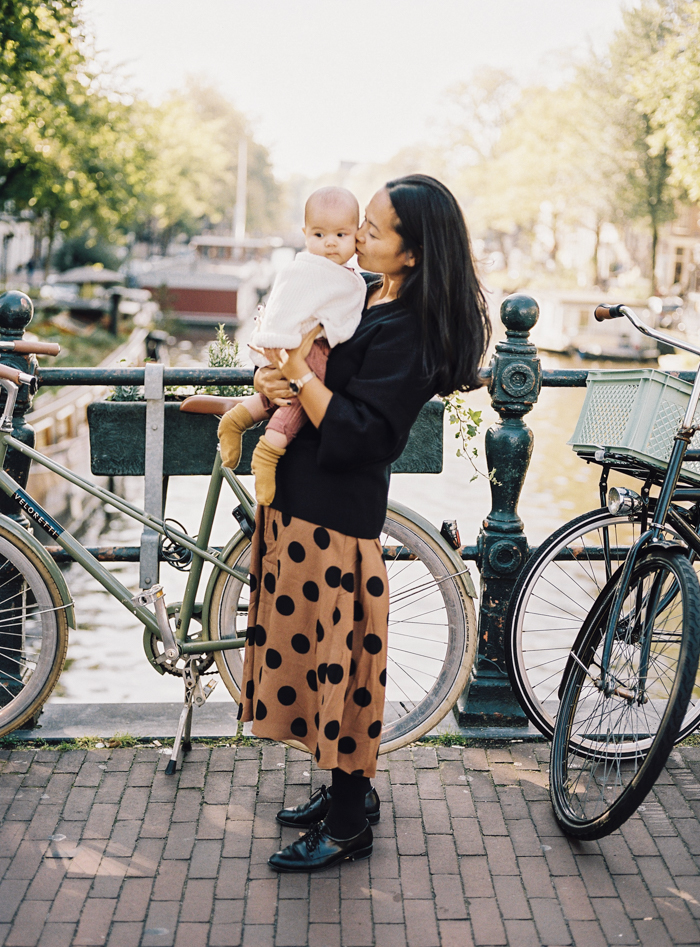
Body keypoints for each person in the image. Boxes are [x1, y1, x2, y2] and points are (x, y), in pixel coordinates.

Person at [239, 174, 491, 873]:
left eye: (374, 231)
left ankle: (349, 823)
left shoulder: (410, 328)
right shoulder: (371, 292)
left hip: (334, 520)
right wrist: (282, 374)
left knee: (343, 670)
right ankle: (345, 795)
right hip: (304, 503)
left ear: (412, 253)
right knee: (318, 662)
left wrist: (301, 374)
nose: (358, 238)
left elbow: (367, 433)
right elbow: (318, 365)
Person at [217, 186, 365, 505]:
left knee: (283, 393)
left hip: (287, 347)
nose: (330, 242)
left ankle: (239, 418)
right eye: (319, 234)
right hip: (302, 349)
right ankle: (268, 454)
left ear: (357, 235)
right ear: (304, 234)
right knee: (301, 396)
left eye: (341, 234)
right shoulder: (313, 271)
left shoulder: (324, 272)